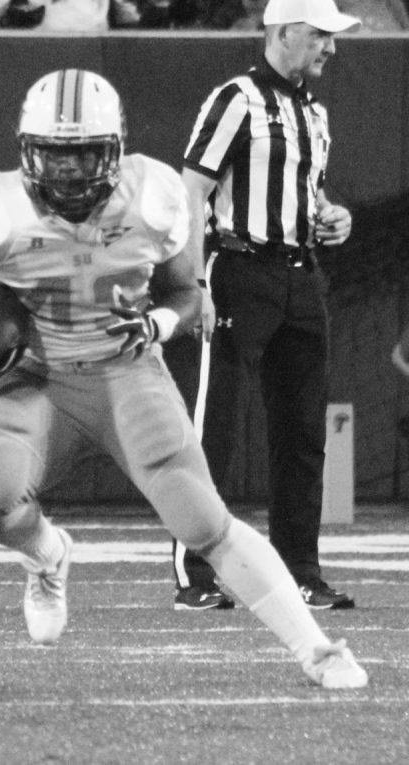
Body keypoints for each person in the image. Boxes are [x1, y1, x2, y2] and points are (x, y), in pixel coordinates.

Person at [0, 68, 367, 689]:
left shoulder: (153, 198)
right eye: (56, 156)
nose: (71, 171)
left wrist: (159, 325)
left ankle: (319, 650)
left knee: (205, 524)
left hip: (126, 372)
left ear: (114, 149)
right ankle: (48, 556)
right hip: (38, 377)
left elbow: (187, 294)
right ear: (28, 152)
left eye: (86, 152)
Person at [171, 0, 361, 612]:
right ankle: (194, 571)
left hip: (301, 274)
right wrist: (193, 283)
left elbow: (308, 191)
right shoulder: (234, 99)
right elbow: (191, 189)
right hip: (239, 271)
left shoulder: (315, 111)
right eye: (319, 35)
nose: (330, 47)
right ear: (282, 33)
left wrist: (332, 216)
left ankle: (300, 571)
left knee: (303, 430)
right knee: (213, 426)